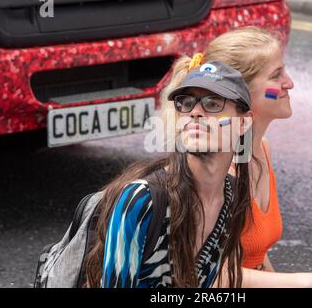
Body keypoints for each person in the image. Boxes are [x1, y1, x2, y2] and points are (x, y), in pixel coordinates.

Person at [161, 26, 312, 287]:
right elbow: (210, 277)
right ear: (242, 94)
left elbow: (255, 259)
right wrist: (311, 282)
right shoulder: (218, 170)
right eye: (276, 75)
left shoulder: (261, 149)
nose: (289, 83)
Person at [84, 61, 256, 288]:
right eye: (186, 103)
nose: (195, 112)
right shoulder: (142, 199)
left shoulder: (233, 196)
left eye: (213, 104)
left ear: (243, 122)